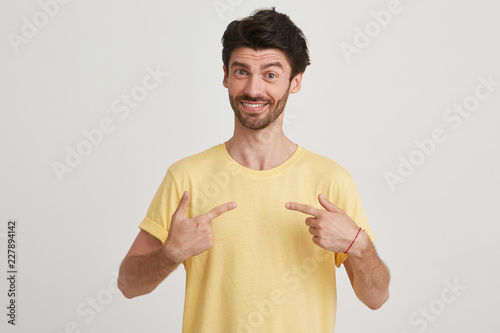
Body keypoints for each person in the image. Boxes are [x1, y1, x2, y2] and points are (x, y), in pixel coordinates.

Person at [117, 7, 390, 332]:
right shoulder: (186, 177)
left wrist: (358, 245)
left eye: (270, 74)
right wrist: (171, 253)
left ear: (295, 82)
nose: (253, 89)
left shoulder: (332, 181)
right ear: (225, 76)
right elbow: (129, 285)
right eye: (242, 72)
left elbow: (376, 297)